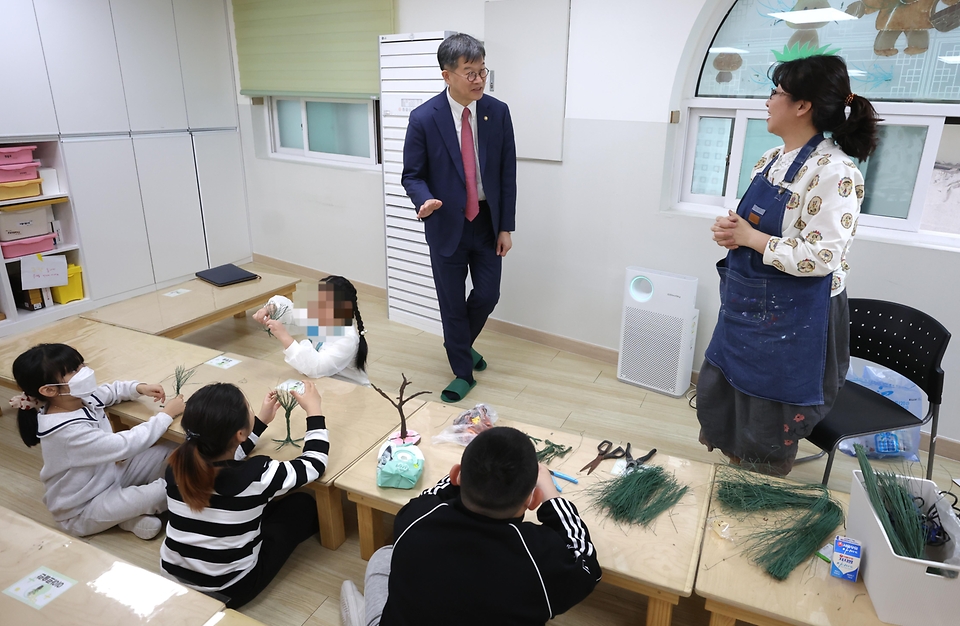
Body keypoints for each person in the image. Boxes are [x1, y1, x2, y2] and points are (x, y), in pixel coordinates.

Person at [698, 54, 880, 476]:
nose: (767, 102)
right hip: (747, 310)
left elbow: (822, 256)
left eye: (775, 93)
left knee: (766, 430)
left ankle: (755, 504)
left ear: (802, 106)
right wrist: (735, 230)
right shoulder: (771, 158)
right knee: (732, 412)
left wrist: (752, 238)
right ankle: (734, 481)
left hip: (795, 321)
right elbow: (761, 230)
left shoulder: (837, 172)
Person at [340, 427, 601, 626]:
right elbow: (587, 563)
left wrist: (474, 469)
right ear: (532, 500)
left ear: (456, 476)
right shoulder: (540, 558)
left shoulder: (415, 518)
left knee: (384, 556)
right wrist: (551, 497)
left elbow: (431, 496)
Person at [401, 32, 517, 403]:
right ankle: (462, 372)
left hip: (486, 222)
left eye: (482, 70)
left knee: (487, 294)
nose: (479, 79)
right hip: (446, 223)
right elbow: (411, 175)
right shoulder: (423, 119)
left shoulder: (497, 112)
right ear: (447, 75)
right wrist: (424, 199)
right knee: (451, 302)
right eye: (470, 72)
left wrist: (505, 227)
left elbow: (507, 174)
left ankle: (460, 345)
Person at [160, 381, 328, 608]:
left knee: (250, 508)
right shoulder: (257, 476)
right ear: (239, 433)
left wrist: (259, 423)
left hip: (173, 577)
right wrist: (314, 410)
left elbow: (228, 455)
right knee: (303, 504)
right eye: (248, 408)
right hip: (230, 588)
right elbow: (314, 464)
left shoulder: (177, 463)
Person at [11, 343, 182, 539]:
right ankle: (119, 516)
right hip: (82, 509)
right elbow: (125, 445)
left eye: (82, 365)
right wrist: (166, 415)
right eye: (75, 370)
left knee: (173, 450)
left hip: (109, 477)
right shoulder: (68, 432)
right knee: (167, 489)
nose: (85, 371)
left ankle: (124, 517)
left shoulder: (77, 398)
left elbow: (110, 392)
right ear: (49, 391)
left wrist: (138, 388)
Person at [253, 275, 369, 386]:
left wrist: (284, 337)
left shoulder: (347, 338)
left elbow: (317, 367)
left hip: (349, 389)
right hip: (324, 383)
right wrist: (270, 308)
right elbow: (289, 313)